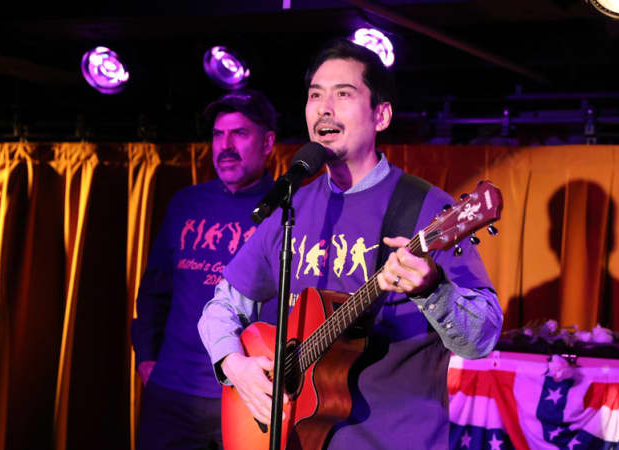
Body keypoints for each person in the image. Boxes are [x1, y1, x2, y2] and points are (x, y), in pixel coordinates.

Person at [197, 39, 503, 450]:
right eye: (315, 96)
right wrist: (235, 365)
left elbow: (483, 337)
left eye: (343, 94)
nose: (325, 107)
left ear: (381, 115)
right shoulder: (292, 207)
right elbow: (220, 307)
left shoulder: (427, 208)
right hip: (297, 439)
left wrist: (433, 291)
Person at [131, 89, 277, 450]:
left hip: (244, 394)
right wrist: (147, 359)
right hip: (172, 393)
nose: (225, 145)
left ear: (268, 142)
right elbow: (155, 290)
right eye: (217, 134)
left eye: (240, 133)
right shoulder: (187, 202)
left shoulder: (287, 211)